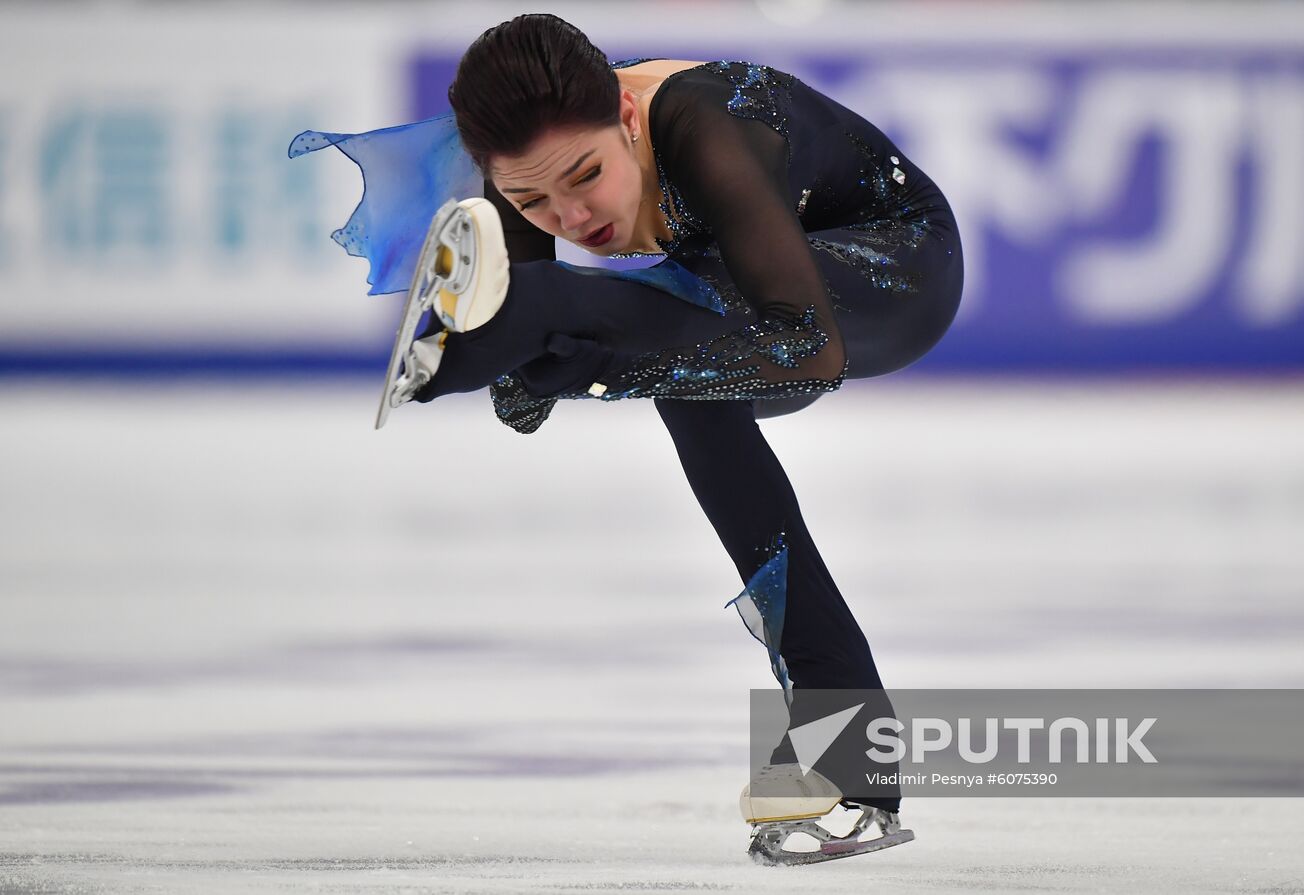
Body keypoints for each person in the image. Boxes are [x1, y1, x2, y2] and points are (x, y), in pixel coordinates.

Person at [292, 13, 962, 864]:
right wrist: (554, 365)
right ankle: (857, 759)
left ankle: (495, 321)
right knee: (685, 384)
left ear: (629, 120)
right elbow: (521, 401)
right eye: (532, 201)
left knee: (659, 320)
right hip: (744, 296)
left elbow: (808, 347)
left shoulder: (701, 124)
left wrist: (578, 354)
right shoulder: (530, 171)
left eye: (586, 175)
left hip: (897, 267)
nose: (569, 215)